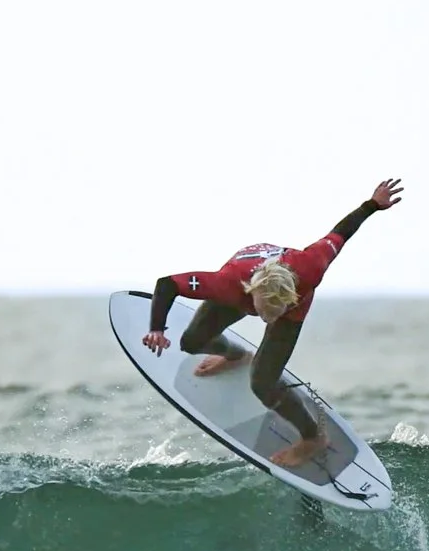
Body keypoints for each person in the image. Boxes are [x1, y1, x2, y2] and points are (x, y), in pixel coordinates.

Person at [141, 178, 407, 468]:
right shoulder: (226, 283)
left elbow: (340, 233)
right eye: (266, 311)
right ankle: (236, 355)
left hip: (294, 305)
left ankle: (313, 437)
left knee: (263, 383)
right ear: (253, 293)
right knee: (191, 342)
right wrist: (157, 328)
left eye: (276, 311)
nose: (269, 319)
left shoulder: (311, 265)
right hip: (241, 289)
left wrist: (372, 205)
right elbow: (166, 284)